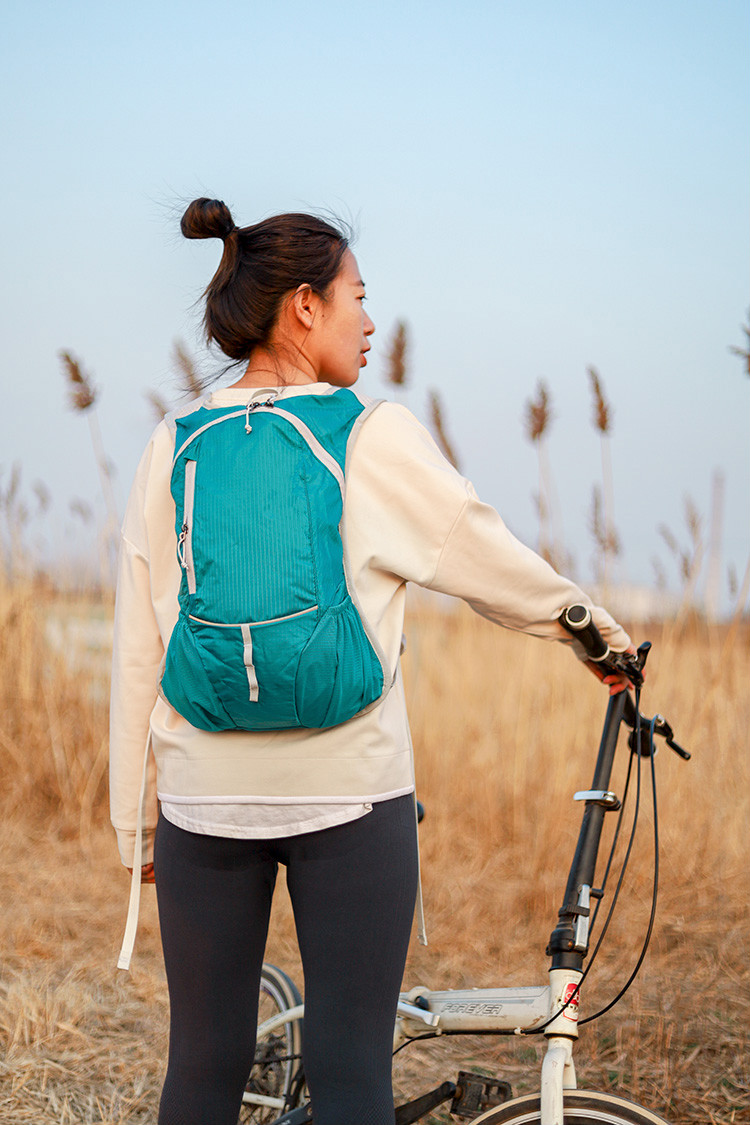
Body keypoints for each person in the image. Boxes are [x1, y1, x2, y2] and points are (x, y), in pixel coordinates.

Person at [109, 197, 635, 1125]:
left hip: (203, 800)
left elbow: (135, 651)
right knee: (351, 1069)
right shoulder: (371, 433)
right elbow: (485, 558)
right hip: (350, 791)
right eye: (358, 296)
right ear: (305, 305)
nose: (371, 321)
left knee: (203, 1062)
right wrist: (593, 633)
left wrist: (134, 826)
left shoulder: (172, 444)